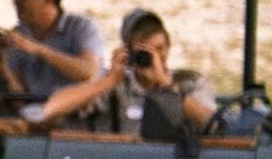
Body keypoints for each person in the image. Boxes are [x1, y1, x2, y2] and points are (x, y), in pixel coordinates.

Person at [27, 9, 214, 134]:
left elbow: (213, 125)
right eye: (146, 52)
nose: (155, 58)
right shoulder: (114, 83)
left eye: (160, 49)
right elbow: (50, 110)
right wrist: (109, 81)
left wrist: (166, 85)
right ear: (129, 51)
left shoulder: (189, 83)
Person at [0, 0, 103, 100]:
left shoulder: (81, 27)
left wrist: (38, 49)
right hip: (36, 114)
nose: (16, 1)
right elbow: (19, 96)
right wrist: (1, 60)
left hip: (79, 115)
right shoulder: (19, 34)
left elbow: (88, 71)